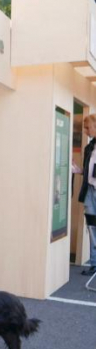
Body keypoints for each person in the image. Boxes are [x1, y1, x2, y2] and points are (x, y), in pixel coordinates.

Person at [75, 113, 96, 275]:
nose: (86, 131)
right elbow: (88, 172)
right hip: (90, 191)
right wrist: (78, 170)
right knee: (91, 226)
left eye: (88, 127)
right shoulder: (89, 147)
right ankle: (94, 263)